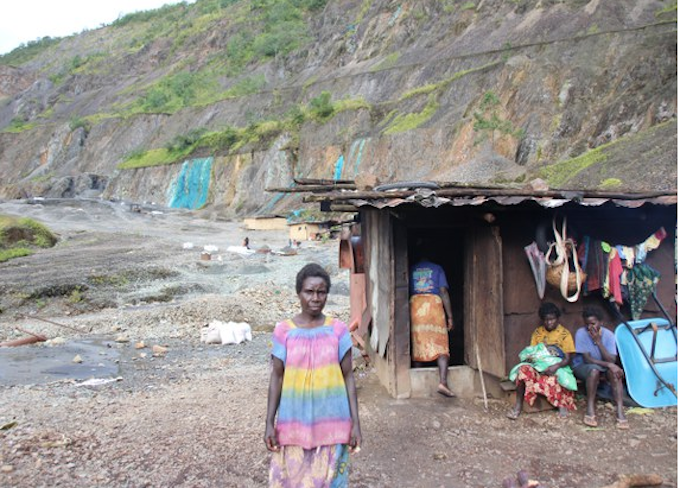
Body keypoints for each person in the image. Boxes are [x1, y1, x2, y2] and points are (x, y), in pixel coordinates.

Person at [264, 263, 362, 487]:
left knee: (330, 481)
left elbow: (348, 377)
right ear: (298, 293)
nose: (315, 298)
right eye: (309, 291)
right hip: (293, 423)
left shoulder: (338, 330)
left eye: (321, 292)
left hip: (333, 423)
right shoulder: (284, 331)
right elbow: (276, 378)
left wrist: (355, 423)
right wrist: (269, 422)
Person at [506, 302, 577, 419]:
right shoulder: (538, 333)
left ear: (557, 319)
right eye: (546, 320)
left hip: (557, 366)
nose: (549, 322)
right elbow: (532, 353)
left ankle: (561, 405)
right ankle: (518, 406)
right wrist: (535, 358)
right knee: (523, 370)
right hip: (539, 366)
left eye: (552, 319)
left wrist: (555, 366)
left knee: (557, 376)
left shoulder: (565, 334)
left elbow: (568, 359)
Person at [573, 306, 629, 429]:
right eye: (587, 324)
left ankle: (620, 411)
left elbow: (611, 359)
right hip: (584, 366)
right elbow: (587, 360)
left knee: (615, 374)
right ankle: (590, 408)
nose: (590, 327)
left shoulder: (609, 336)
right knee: (594, 370)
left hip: (602, 366)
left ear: (601, 323)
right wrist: (609, 365)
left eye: (593, 323)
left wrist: (599, 342)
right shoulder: (581, 333)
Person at [409, 249, 455, 397]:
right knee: (441, 345)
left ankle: (417, 386)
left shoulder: (411, 269)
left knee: (418, 344)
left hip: (416, 308)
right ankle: (442, 382)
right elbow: (443, 291)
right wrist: (450, 317)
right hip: (434, 307)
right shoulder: (437, 268)